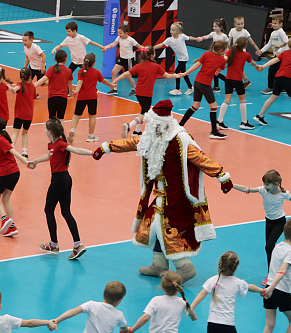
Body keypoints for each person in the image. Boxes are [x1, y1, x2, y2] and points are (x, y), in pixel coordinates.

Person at [92, 100, 233, 282]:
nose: (149, 126)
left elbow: (200, 158)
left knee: (167, 229)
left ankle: (185, 267)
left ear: (160, 123)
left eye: (152, 123)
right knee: (153, 226)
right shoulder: (153, 137)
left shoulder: (180, 140)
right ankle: (159, 265)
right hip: (160, 195)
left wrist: (222, 176)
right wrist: (107, 148)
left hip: (176, 198)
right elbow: (133, 142)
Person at [28, 118, 93, 259]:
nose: (45, 131)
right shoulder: (52, 145)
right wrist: (35, 161)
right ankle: (77, 244)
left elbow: (76, 150)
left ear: (50, 131)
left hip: (59, 180)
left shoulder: (61, 143)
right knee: (65, 212)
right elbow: (50, 156)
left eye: (46, 129)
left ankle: (54, 244)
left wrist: (93, 153)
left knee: (48, 210)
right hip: (65, 180)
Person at [189, 251, 264, 333]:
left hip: (212, 323)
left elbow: (202, 294)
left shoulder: (213, 280)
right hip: (227, 324)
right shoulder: (238, 282)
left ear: (220, 264)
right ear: (235, 267)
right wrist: (262, 290)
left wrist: (191, 307)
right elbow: (251, 287)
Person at [232, 170, 291, 267]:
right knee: (268, 248)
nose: (265, 186)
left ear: (276, 184)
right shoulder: (263, 190)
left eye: (267, 184)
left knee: (269, 247)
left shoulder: (283, 194)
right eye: (264, 184)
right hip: (269, 222)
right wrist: (231, 185)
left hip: (280, 222)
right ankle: (271, 270)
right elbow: (246, 189)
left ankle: (274, 268)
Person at [124, 271, 196, 333]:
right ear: (178, 287)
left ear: (162, 286)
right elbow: (192, 314)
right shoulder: (182, 303)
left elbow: (145, 318)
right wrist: (193, 316)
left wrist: (132, 330)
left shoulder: (156, 300)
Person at [115, 46, 180, 137]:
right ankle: (129, 126)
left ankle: (137, 131)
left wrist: (115, 80)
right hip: (147, 93)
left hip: (138, 92)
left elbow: (126, 73)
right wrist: (178, 75)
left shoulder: (139, 66)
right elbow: (168, 76)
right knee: (145, 113)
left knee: (143, 110)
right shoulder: (156, 66)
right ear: (152, 55)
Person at [52, 281, 130, 333]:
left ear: (104, 294)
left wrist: (57, 320)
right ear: (119, 300)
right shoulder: (119, 315)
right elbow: (124, 328)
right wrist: (125, 331)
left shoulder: (91, 305)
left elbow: (73, 312)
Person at [178, 41, 228, 139]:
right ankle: (214, 131)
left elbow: (196, 65)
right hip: (205, 84)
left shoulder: (206, 53)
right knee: (213, 106)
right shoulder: (222, 60)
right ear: (222, 50)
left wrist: (185, 73)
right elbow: (217, 73)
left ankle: (180, 125)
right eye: (226, 49)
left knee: (195, 106)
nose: (227, 50)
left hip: (197, 82)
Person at [69, 53, 115, 144]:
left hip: (81, 97)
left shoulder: (81, 71)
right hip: (92, 97)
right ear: (94, 63)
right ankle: (91, 136)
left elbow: (80, 82)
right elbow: (104, 81)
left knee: (76, 115)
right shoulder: (96, 72)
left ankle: (73, 129)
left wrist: (76, 91)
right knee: (92, 116)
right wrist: (111, 85)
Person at [217, 37, 261, 130]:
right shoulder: (246, 55)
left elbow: (224, 60)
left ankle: (219, 121)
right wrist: (257, 66)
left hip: (228, 80)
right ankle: (244, 122)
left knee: (226, 101)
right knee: (242, 100)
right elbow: (252, 63)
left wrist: (216, 67)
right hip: (238, 80)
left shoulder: (229, 52)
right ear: (244, 46)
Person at [155, 22, 200, 96]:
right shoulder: (169, 40)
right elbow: (161, 44)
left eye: (173, 30)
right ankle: (190, 87)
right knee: (183, 73)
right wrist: (152, 48)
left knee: (176, 73)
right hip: (180, 58)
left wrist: (196, 39)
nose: (171, 31)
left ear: (178, 31)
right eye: (170, 29)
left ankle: (178, 89)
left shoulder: (182, 36)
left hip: (184, 58)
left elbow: (189, 37)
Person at [34, 50, 73, 120]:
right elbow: (69, 84)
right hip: (63, 98)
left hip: (52, 97)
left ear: (56, 59)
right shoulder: (68, 71)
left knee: (51, 118)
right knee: (61, 118)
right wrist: (71, 92)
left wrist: (34, 86)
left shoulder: (51, 69)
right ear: (65, 59)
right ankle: (60, 128)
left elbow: (43, 79)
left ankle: (51, 128)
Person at [255, 15, 288, 95]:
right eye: (273, 23)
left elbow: (287, 42)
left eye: (276, 23)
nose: (273, 25)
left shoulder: (281, 32)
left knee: (272, 70)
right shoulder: (273, 33)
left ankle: (271, 87)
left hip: (282, 56)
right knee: (279, 71)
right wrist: (261, 51)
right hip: (277, 56)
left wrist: (280, 51)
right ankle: (283, 87)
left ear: (280, 24)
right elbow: (269, 44)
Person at [102, 24, 138, 96]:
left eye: (120, 33)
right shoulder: (119, 38)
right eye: (118, 33)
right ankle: (114, 89)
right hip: (121, 58)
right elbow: (113, 44)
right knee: (114, 72)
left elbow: (139, 46)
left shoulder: (131, 40)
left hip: (128, 60)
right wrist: (106, 47)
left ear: (126, 33)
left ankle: (134, 89)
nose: (119, 34)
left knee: (128, 77)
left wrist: (146, 49)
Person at [9, 67, 37, 158]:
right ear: (30, 77)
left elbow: (16, 88)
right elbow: (34, 96)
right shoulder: (32, 86)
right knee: (25, 133)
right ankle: (24, 152)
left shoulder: (19, 85)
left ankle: (10, 150)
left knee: (15, 133)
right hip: (29, 115)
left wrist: (13, 89)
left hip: (19, 114)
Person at [197, 18, 229, 93]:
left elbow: (227, 46)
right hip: (213, 55)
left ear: (221, 27)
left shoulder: (224, 36)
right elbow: (207, 36)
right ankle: (219, 85)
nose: (214, 28)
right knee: (215, 71)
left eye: (216, 26)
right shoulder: (213, 34)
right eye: (213, 26)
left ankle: (220, 85)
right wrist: (201, 38)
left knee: (215, 71)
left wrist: (226, 56)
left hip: (220, 56)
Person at [228, 16, 260, 89]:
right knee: (237, 68)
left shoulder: (245, 32)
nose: (240, 26)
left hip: (242, 53)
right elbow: (229, 41)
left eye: (242, 24)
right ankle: (245, 81)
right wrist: (227, 48)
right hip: (234, 52)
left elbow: (251, 42)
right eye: (238, 24)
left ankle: (241, 82)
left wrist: (258, 50)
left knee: (238, 68)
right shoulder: (232, 30)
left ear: (244, 23)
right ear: (234, 24)